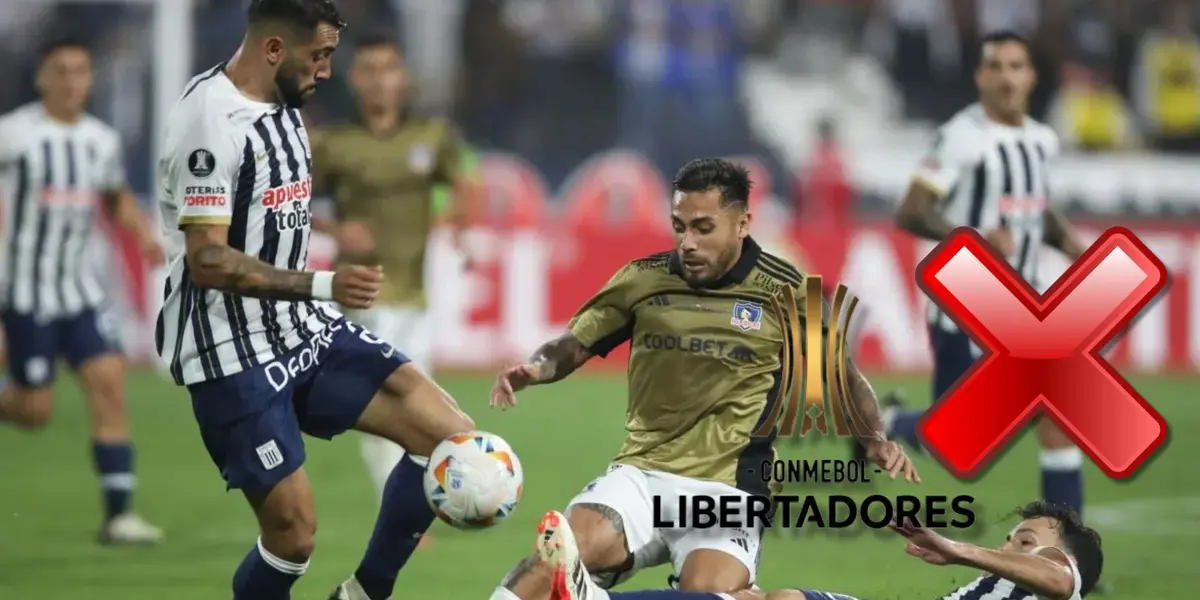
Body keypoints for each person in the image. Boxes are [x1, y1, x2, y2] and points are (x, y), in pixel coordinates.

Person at [153, 2, 475, 599]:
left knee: (452, 441)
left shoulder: (288, 111)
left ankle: (362, 594)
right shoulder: (209, 121)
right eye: (319, 56)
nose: (328, 70)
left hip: (302, 331)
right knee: (293, 537)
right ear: (275, 48)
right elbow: (208, 259)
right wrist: (326, 283)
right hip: (231, 355)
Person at [488, 158, 919, 600]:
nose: (687, 242)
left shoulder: (788, 291)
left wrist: (874, 439)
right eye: (680, 226)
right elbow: (573, 344)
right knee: (560, 557)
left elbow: (843, 376)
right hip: (643, 474)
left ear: (742, 223)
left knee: (708, 595)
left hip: (729, 491)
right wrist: (537, 368)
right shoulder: (643, 279)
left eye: (703, 227)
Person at [883, 31, 1096, 578]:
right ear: (980, 76)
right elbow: (911, 210)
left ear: (1032, 75)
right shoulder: (960, 138)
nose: (1006, 76)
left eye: (1016, 66)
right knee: (960, 440)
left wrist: (1074, 247)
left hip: (1026, 310)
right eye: (995, 66)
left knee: (1056, 417)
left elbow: (1035, 208)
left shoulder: (1042, 140)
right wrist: (972, 235)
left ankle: (1066, 562)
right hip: (968, 307)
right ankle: (887, 422)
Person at [0, 37, 164, 545]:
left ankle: (119, 516)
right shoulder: (14, 136)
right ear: (41, 79)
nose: (71, 82)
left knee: (110, 383)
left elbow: (114, 196)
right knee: (34, 413)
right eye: (61, 71)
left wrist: (143, 237)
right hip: (25, 294)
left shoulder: (100, 140)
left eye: (80, 72)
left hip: (80, 293)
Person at [310, 31, 475, 515]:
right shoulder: (335, 144)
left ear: (403, 78)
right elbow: (290, 197)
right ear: (355, 78)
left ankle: (418, 497)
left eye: (389, 69)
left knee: (423, 399)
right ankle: (398, 505)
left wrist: (459, 222)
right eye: (371, 70)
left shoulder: (431, 137)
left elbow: (463, 181)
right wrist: (335, 230)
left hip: (415, 293)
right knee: (390, 399)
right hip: (362, 292)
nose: (381, 80)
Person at [538, 499, 1104, 600]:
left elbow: (1058, 579)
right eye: (1014, 537)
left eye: (1028, 539)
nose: (1013, 545)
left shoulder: (1058, 579)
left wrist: (959, 550)